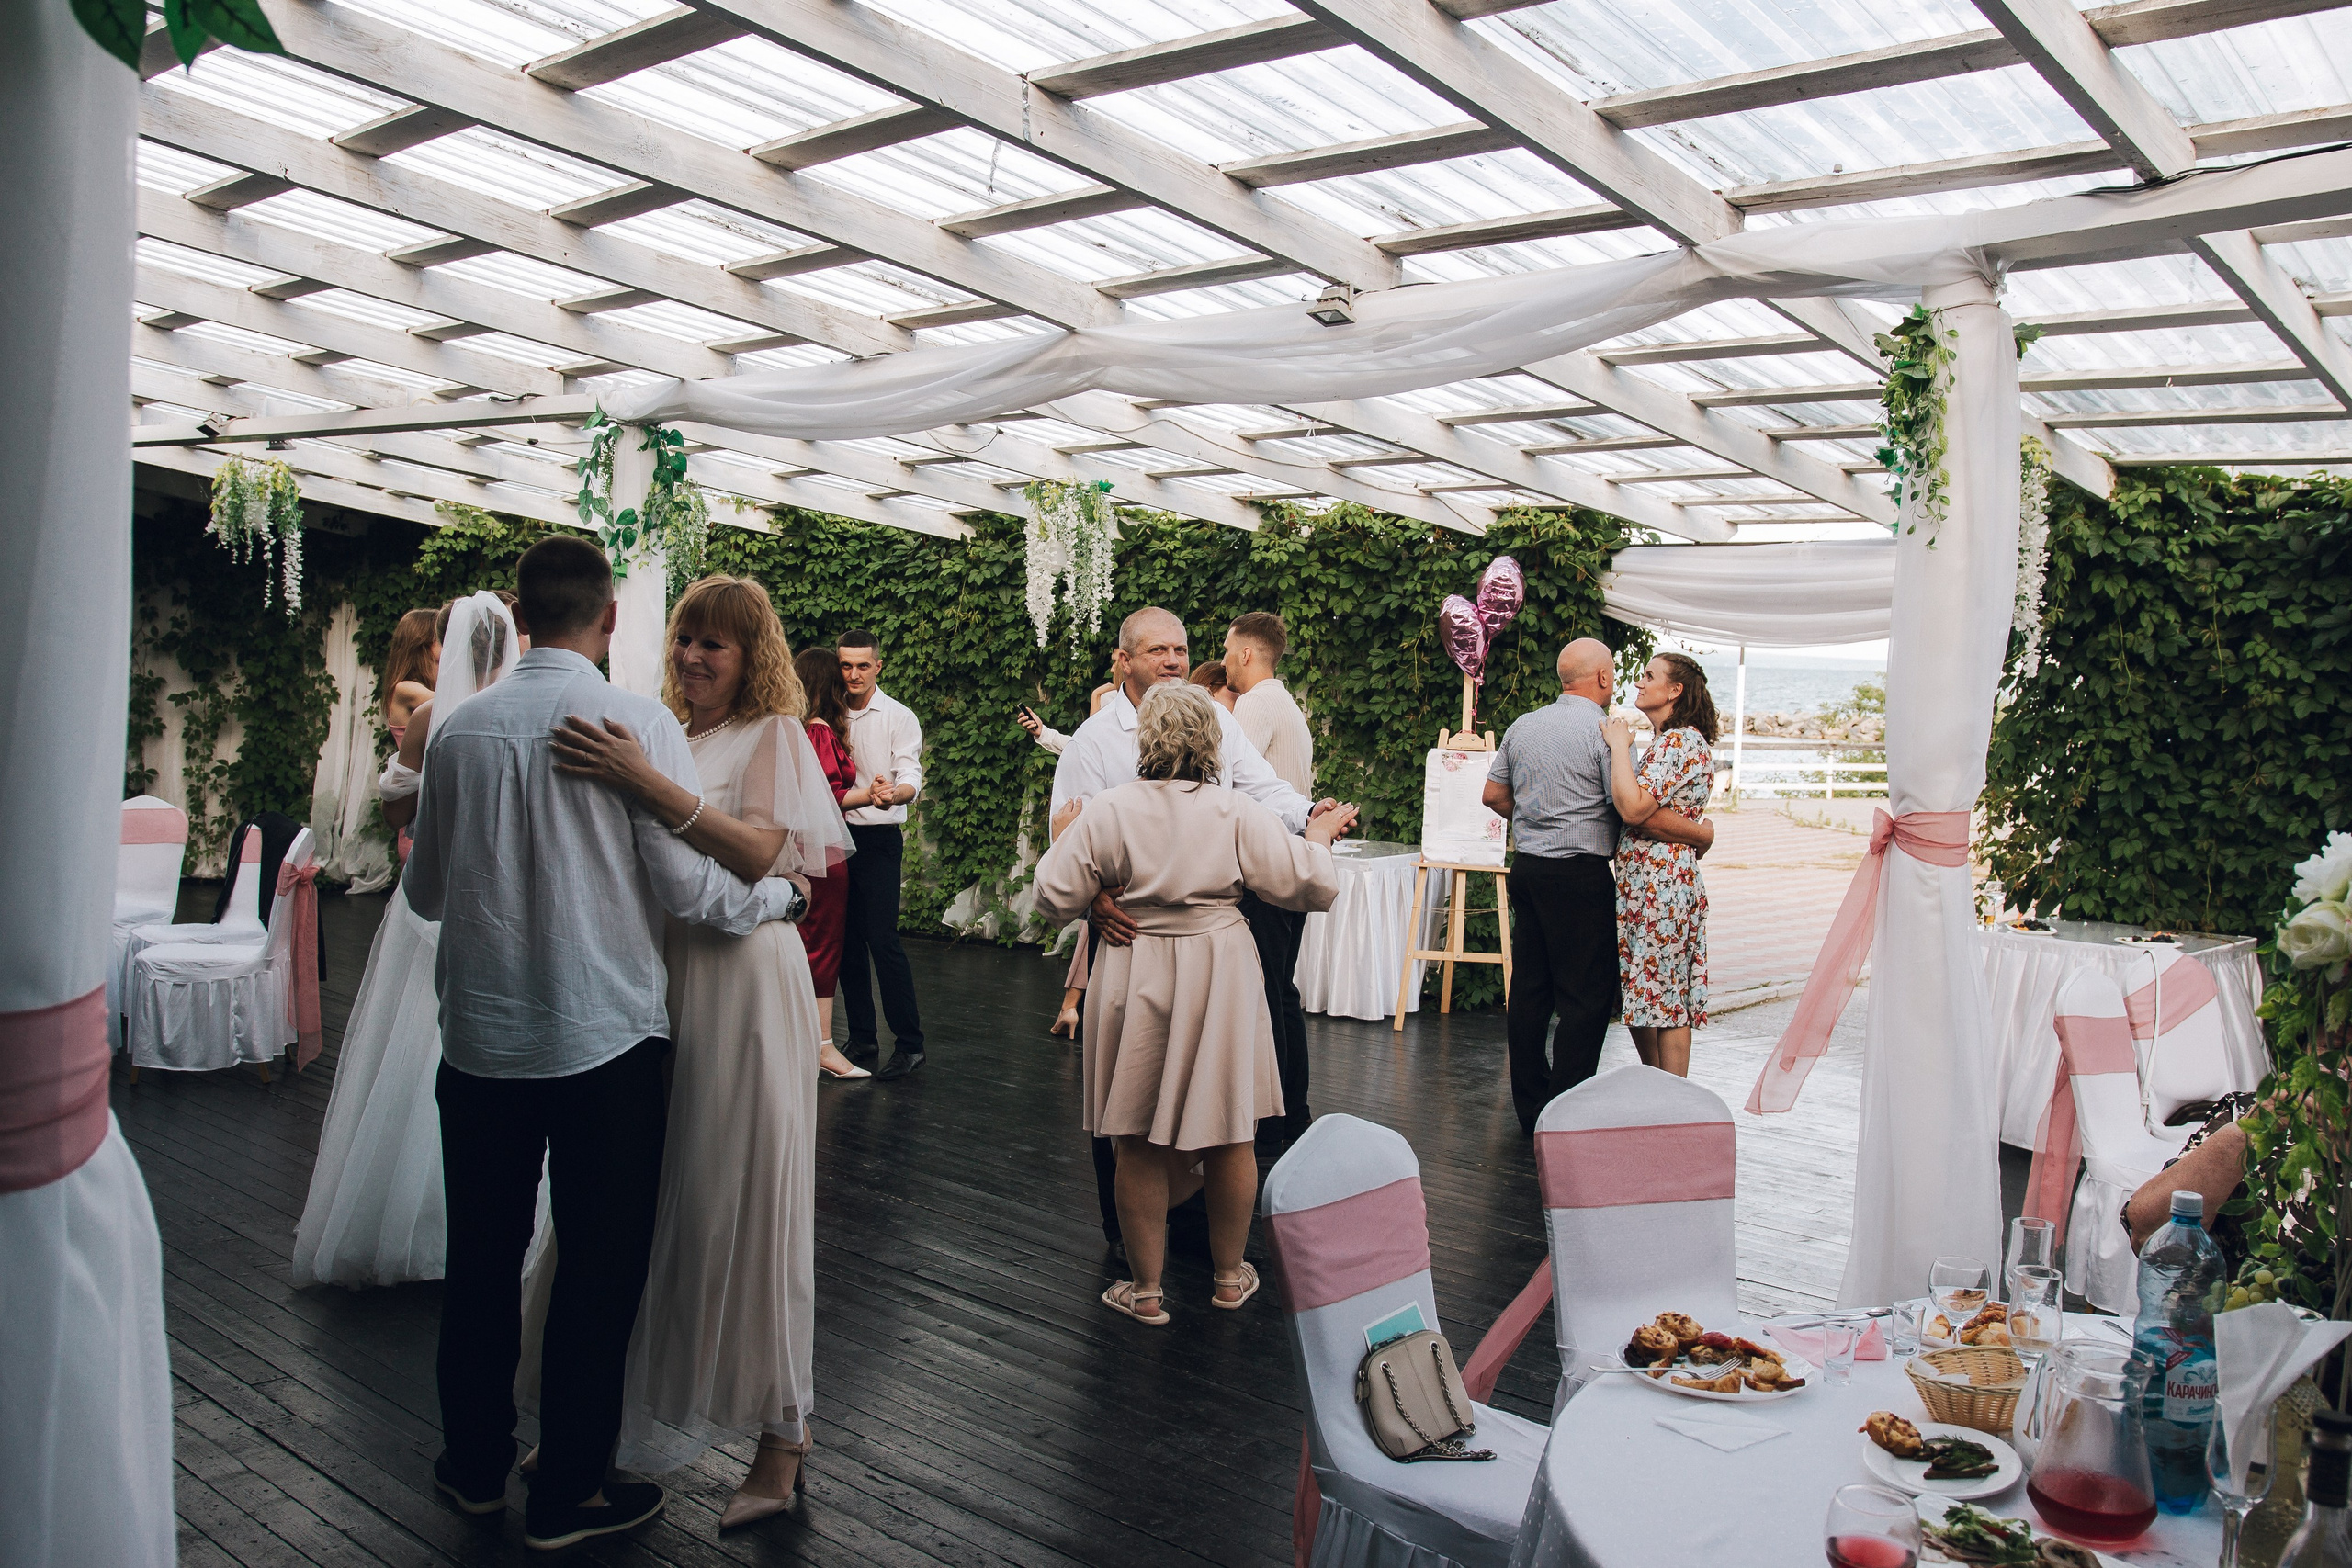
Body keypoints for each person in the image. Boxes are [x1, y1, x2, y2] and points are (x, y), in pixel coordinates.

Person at [404, 536, 806, 1551]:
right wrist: (777, 896)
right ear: (612, 617)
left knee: (483, 1262)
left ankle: (474, 1469)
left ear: (518, 614)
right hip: (607, 1045)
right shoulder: (633, 723)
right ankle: (573, 1491)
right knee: (596, 1267)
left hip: (483, 1045)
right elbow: (683, 890)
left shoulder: (460, 731)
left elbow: (428, 894)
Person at [526, 575, 853, 1528]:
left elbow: (761, 856)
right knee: (634, 1202)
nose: (694, 660)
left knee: (739, 1200)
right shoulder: (668, 734)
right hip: (657, 977)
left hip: (743, 981)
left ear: (753, 657)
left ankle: (781, 1444)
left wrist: (644, 783)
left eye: (715, 645)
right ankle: (593, 1423)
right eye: (684, 642)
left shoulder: (774, 737)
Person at [1034, 684, 1350, 1324]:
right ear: (1212, 741)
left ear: (1145, 740)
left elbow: (1050, 895)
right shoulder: (1235, 813)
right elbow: (1312, 885)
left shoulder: (1110, 810)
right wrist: (1316, 834)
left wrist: (1068, 841)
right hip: (1221, 968)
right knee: (1233, 1130)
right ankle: (1230, 1276)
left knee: (1136, 1134)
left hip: (1136, 963)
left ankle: (1146, 1291)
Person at [292, 592, 518, 1290]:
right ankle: (475, 1225)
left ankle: (398, 1215)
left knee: (412, 1052)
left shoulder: (431, 716)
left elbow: (395, 803)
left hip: (434, 898)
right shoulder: (523, 712)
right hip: (502, 903)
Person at [1482, 639, 1710, 1134]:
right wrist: (1701, 833)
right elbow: (1633, 811)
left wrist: (1535, 821)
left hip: (1528, 869)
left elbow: (1492, 794)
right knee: (1585, 999)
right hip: (1581, 875)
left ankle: (1530, 1111)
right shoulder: (1607, 735)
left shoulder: (1525, 725)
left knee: (1529, 993)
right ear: (1603, 679)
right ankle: (1564, 1112)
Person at [1221, 612, 1320, 1149]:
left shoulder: (1255, 705)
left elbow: (1229, 777)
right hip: (1292, 861)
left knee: (1267, 995)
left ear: (1245, 654)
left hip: (1267, 868)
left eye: (1227, 649)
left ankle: (1273, 1121)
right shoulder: (1287, 704)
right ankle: (1293, 1112)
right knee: (1281, 992)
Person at [1600, 653, 1720, 1078]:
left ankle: (1672, 1096)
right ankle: (1658, 1087)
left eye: (1650, 676)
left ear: (1674, 691)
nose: (1640, 682)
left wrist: (1617, 745)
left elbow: (1633, 809)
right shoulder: (1671, 742)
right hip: (1646, 886)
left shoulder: (1679, 742)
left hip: (1660, 887)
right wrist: (1699, 832)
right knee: (1642, 994)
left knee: (1663, 997)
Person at [836, 628, 927, 1079]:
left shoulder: (898, 715)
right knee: (846, 944)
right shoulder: (826, 711)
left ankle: (910, 1045)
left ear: (878, 667)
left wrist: (898, 795)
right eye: (846, 665)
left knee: (882, 940)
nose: (853, 674)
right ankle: (862, 1038)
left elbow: (911, 771)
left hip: (877, 841)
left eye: (862, 665)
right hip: (834, 838)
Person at [794, 646, 871, 1080]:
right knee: (824, 945)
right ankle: (823, 1045)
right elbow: (827, 794)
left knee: (804, 941)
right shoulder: (819, 730)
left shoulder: (795, 729)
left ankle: (805, 1039)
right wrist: (875, 794)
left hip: (802, 849)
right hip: (822, 852)